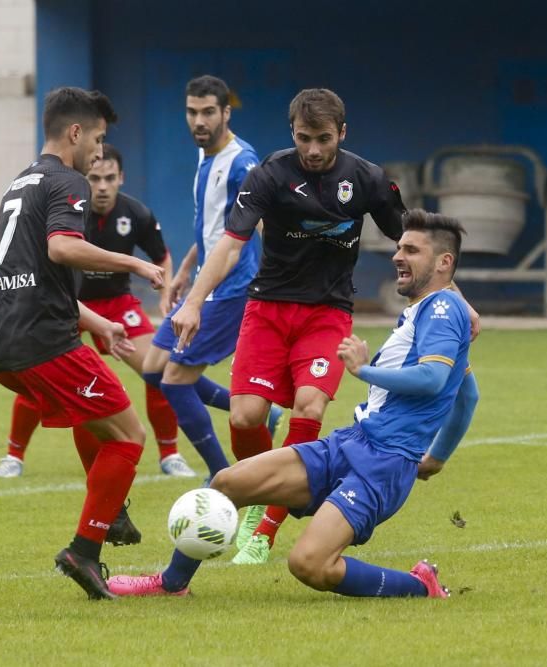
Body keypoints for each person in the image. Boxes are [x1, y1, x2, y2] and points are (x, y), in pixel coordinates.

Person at [170, 87, 481, 565]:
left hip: (328, 312)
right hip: (268, 309)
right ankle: (257, 498)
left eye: (323, 139)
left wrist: (460, 299)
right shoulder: (269, 175)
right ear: (290, 133)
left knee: (309, 404)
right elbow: (231, 244)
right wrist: (193, 302)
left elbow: (418, 245)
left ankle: (267, 526)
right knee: (245, 417)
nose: (313, 150)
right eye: (303, 139)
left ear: (342, 133)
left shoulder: (367, 179)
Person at [108, 209, 479, 599]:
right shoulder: (425, 312)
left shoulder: (443, 308)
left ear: (444, 262)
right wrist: (437, 458)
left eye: (411, 250)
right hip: (351, 443)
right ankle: (172, 584)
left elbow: (433, 378)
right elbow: (467, 393)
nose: (397, 256)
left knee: (309, 564)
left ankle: (420, 586)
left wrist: (364, 371)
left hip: (383, 465)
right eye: (399, 247)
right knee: (227, 482)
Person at [0, 86, 165, 599]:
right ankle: (85, 550)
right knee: (130, 436)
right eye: (99, 139)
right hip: (44, 341)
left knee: (96, 415)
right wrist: (134, 263)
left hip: (3, 339)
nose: (100, 153)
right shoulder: (67, 180)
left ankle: (114, 512)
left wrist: (97, 322)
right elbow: (63, 249)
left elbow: (34, 272)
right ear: (76, 132)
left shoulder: (21, 183)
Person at [0, 144, 197, 481]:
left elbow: (161, 255)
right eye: (96, 178)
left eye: (110, 178)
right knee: (41, 376)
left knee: (157, 370)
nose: (102, 186)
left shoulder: (137, 213)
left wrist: (167, 291)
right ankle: (13, 456)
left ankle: (170, 454)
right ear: (86, 177)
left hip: (117, 302)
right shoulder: (69, 207)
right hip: (68, 304)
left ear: (121, 178)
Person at [142, 75, 282, 484]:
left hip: (233, 289)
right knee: (154, 368)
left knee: (175, 380)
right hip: (206, 280)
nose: (198, 121)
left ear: (225, 113)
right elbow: (214, 228)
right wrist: (186, 270)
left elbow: (255, 230)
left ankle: (222, 475)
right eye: (191, 112)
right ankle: (267, 415)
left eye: (207, 112)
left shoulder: (243, 164)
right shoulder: (206, 157)